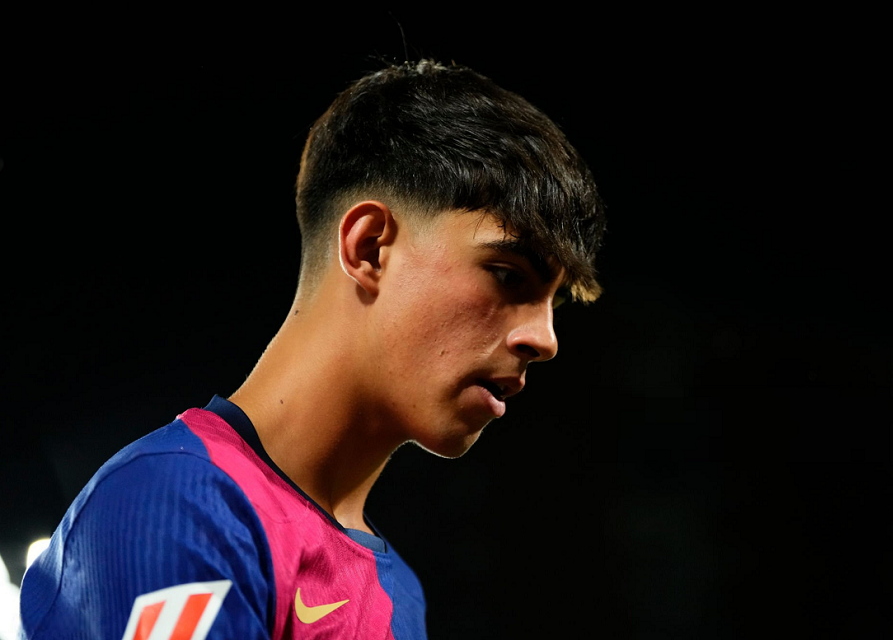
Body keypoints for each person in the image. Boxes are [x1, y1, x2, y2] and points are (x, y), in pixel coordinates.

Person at [19, 59, 606, 639]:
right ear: (369, 248)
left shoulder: (400, 594)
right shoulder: (176, 504)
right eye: (507, 276)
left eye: (554, 303)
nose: (545, 340)